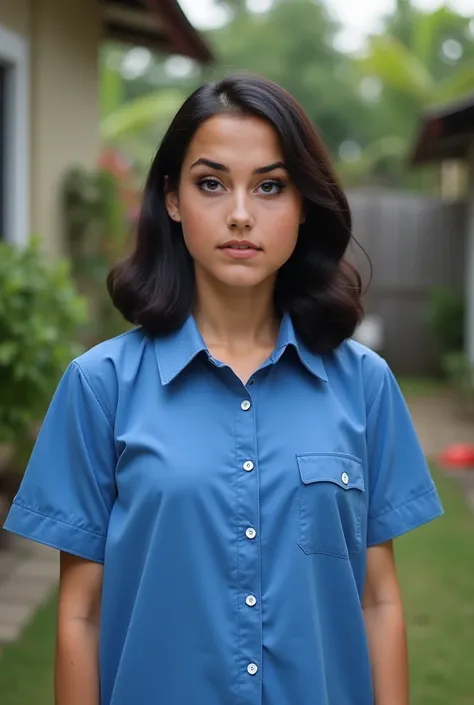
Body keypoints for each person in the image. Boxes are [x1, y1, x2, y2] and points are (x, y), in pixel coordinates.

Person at [3, 74, 443, 705]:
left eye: (270, 186)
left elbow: (379, 598)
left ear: (302, 205)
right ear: (173, 199)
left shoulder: (365, 386)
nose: (240, 213)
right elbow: (81, 612)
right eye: (211, 183)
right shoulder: (100, 388)